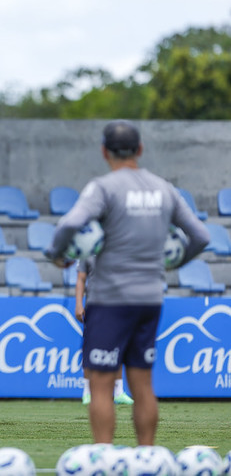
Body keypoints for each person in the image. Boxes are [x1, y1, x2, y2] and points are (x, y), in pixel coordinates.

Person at [45, 120, 210, 446]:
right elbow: (201, 236)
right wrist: (173, 262)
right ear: (140, 150)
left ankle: (103, 457)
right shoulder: (164, 188)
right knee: (142, 383)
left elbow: (70, 224)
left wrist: (56, 254)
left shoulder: (103, 187)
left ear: (104, 151)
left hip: (110, 300)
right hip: (150, 298)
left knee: (102, 384)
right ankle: (147, 456)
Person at [74, 255, 133, 406]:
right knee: (90, 348)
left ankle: (119, 392)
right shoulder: (86, 249)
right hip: (94, 306)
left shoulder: (118, 247)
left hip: (117, 305)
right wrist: (79, 304)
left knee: (117, 347)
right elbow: (81, 279)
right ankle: (86, 392)